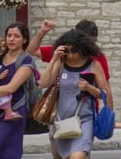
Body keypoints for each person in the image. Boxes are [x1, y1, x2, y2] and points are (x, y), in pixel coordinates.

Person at [40, 29, 112, 159]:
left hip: (84, 120)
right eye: (67, 51)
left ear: (83, 48)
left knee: (77, 157)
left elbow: (104, 93)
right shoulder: (60, 63)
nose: (71, 55)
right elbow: (44, 84)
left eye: (74, 50)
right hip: (62, 121)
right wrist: (54, 59)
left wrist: (89, 88)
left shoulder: (94, 65)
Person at [0, 23, 41, 159]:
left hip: (13, 113)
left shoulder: (26, 61)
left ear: (24, 40)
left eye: (16, 36)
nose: (11, 39)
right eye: (9, 35)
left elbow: (11, 88)